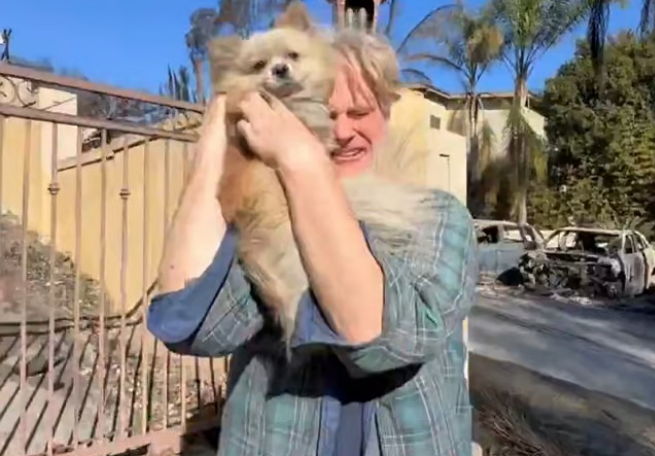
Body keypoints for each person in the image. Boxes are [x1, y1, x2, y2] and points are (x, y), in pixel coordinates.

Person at [148, 30, 477, 456]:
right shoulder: (268, 216)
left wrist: (301, 161)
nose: (341, 132)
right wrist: (220, 125)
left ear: (386, 112)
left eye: (359, 112)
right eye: (323, 112)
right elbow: (188, 324)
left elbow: (388, 340)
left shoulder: (438, 216)